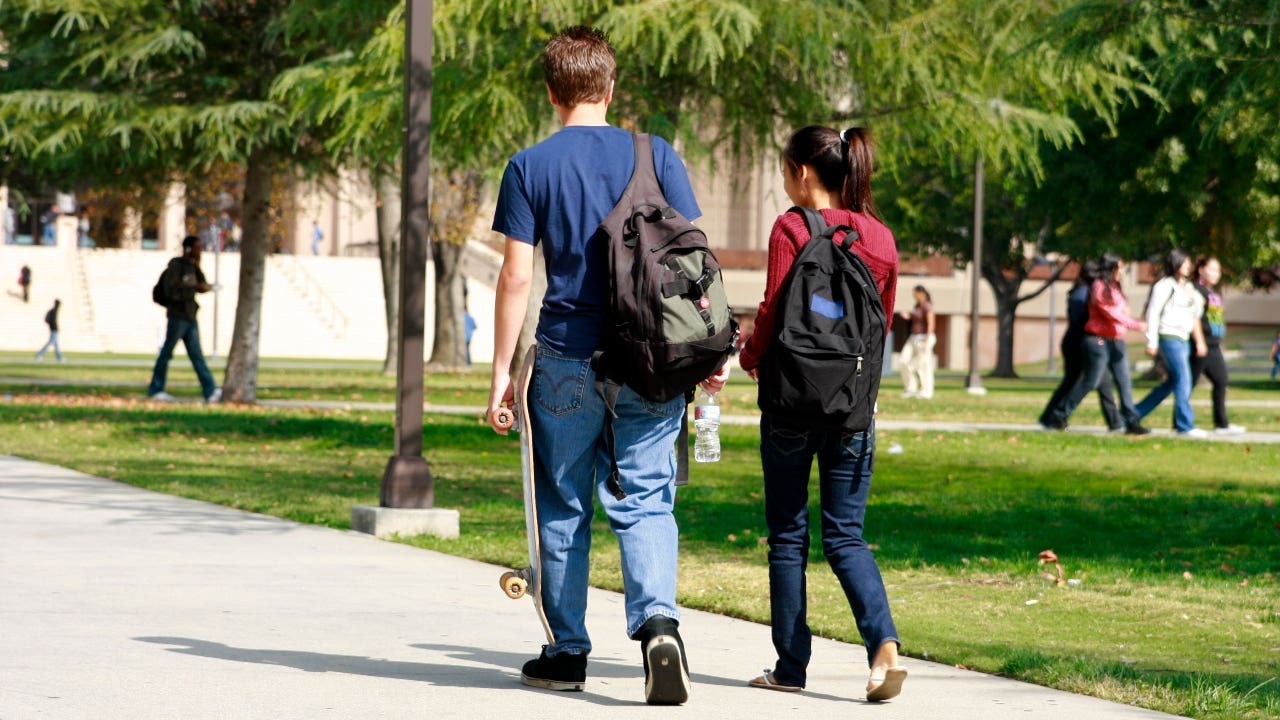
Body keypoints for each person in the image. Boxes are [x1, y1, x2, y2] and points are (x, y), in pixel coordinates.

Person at [484, 26, 728, 705]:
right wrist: (710, 354)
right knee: (646, 497)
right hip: (651, 358)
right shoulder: (657, 154)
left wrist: (502, 372)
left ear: (550, 92)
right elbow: (690, 262)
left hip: (564, 357)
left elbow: (514, 278)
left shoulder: (530, 166)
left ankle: (566, 652)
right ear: (611, 88)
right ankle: (658, 626)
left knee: (562, 504)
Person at [737, 125, 905, 701]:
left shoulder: (791, 226)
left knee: (788, 535)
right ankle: (883, 643)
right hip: (853, 409)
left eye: (785, 170)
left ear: (801, 172)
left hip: (790, 403)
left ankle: (790, 666)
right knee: (846, 537)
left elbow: (773, 306)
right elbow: (881, 325)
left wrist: (748, 356)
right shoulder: (881, 238)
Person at [1042, 253, 1150, 434]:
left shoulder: (1115, 288)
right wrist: (1135, 324)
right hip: (1098, 340)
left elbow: (1122, 309)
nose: (1122, 272)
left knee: (1124, 381)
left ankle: (1131, 421)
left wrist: (1127, 316)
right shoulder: (1099, 287)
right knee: (1090, 381)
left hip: (1116, 341)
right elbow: (1109, 312)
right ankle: (1059, 414)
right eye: (1120, 268)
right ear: (1111, 268)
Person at [1134, 249, 1207, 438]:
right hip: (1169, 337)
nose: (1189, 266)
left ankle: (1134, 413)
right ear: (1175, 263)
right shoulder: (1164, 285)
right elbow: (1153, 312)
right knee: (1184, 378)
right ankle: (1185, 425)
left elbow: (1195, 313)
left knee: (1173, 382)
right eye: (1185, 263)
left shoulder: (1189, 288)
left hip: (1183, 339)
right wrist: (1152, 341)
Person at [147, 235, 221, 403]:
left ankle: (210, 391)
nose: (199, 251)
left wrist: (198, 275)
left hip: (190, 316)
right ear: (188, 248)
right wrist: (191, 288)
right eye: (197, 248)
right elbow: (171, 291)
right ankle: (156, 389)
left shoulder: (192, 267)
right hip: (177, 316)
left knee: (197, 355)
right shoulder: (176, 267)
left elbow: (201, 284)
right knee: (166, 353)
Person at [1188, 257, 1245, 434]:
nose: (1216, 274)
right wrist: (1199, 342)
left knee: (1221, 380)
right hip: (1201, 345)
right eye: (1212, 270)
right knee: (1187, 385)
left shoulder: (1212, 293)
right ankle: (1181, 423)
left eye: (1218, 271)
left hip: (1213, 345)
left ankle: (1222, 424)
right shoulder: (1195, 291)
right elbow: (1194, 318)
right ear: (1201, 270)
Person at [897, 285, 935, 399]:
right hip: (913, 337)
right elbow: (915, 319)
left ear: (921, 293)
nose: (913, 296)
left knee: (924, 365)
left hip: (924, 338)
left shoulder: (927, 306)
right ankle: (911, 388)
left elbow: (931, 324)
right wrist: (908, 316)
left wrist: (927, 341)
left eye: (915, 293)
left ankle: (926, 391)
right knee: (903, 360)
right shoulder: (917, 306)